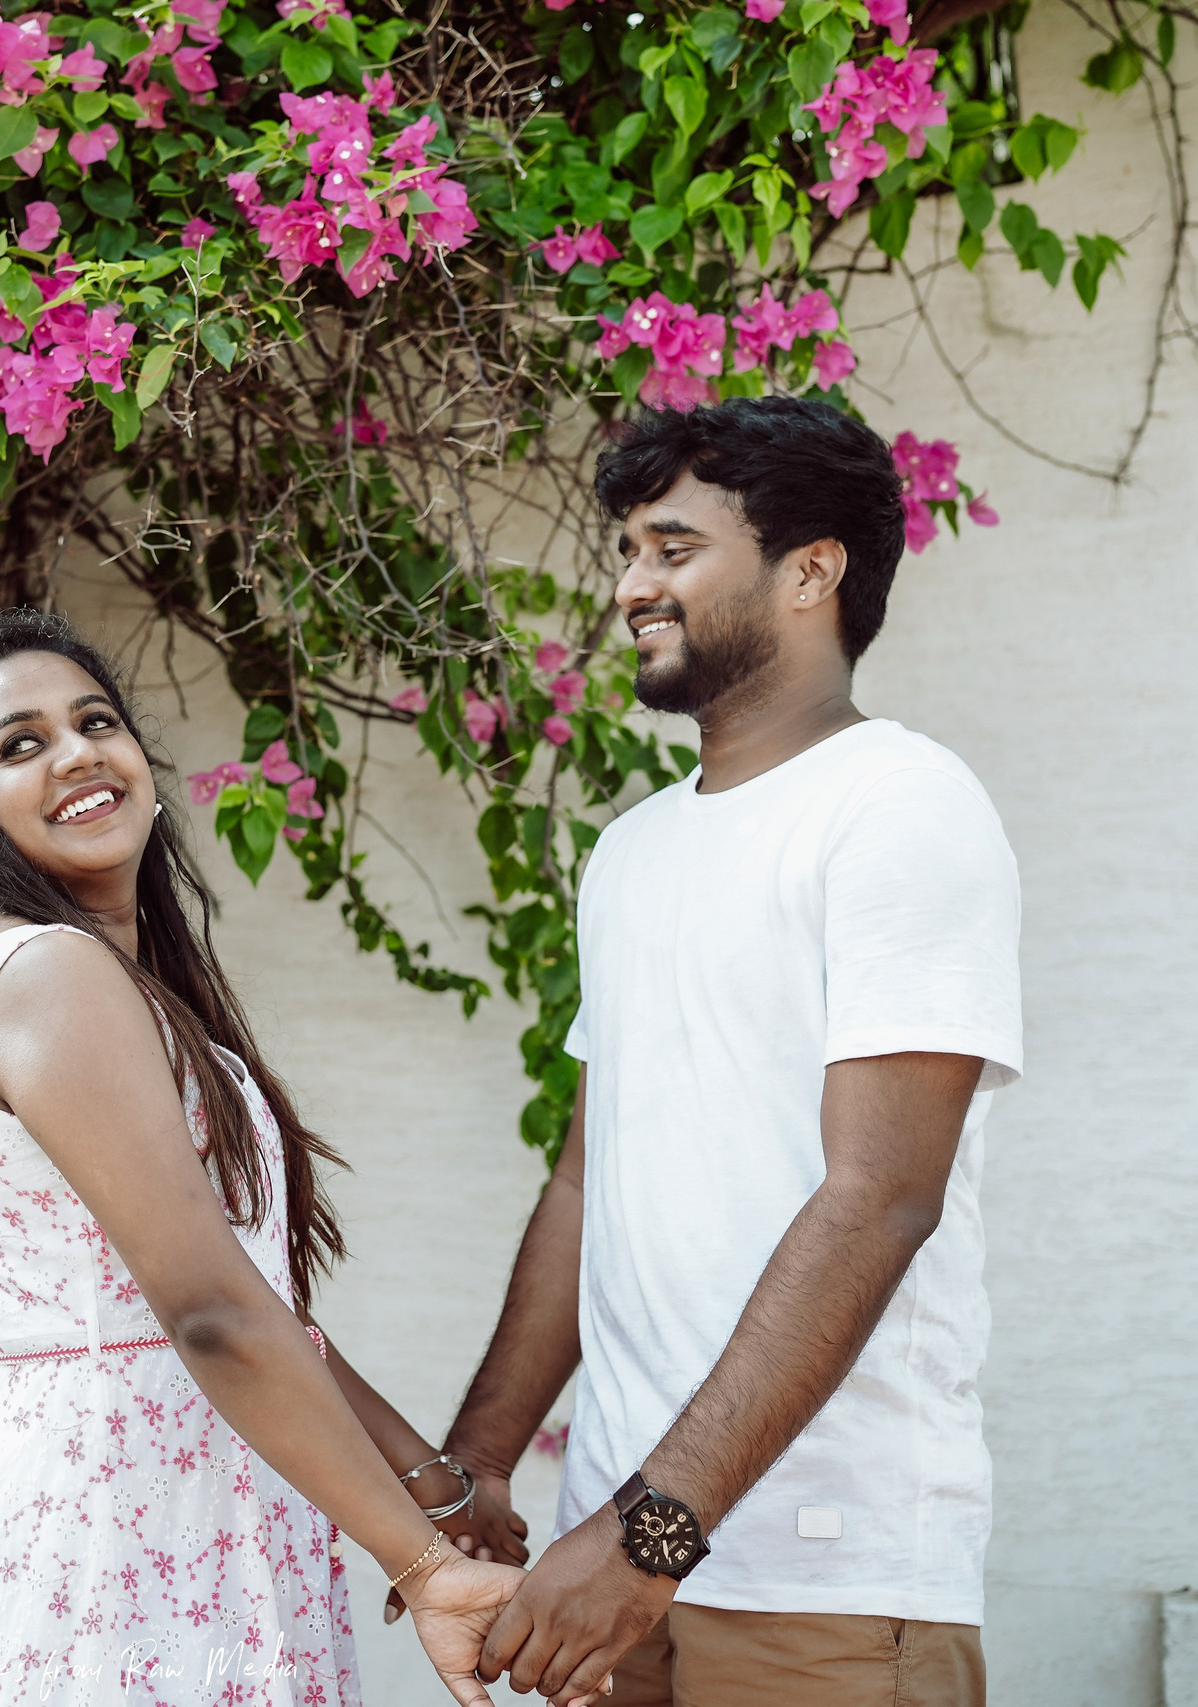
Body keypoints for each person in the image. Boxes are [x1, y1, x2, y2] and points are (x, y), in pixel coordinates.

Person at [438, 397, 1024, 1706]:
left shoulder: (899, 807)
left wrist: (650, 1535)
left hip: (822, 1577)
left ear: (810, 571)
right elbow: (585, 1182)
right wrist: (481, 1456)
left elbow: (881, 1198)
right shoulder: (632, 849)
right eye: (628, 552)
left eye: (674, 548)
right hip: (612, 1578)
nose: (630, 586)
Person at [0, 609, 521, 1706]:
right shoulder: (52, 975)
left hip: (193, 1510)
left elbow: (257, 1302)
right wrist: (423, 1566)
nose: (77, 753)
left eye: (96, 721)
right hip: (122, 1537)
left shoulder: (109, 982)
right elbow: (210, 1316)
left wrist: (425, 1482)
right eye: (22, 743)